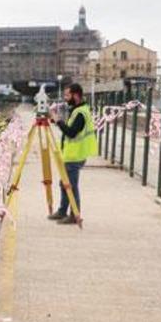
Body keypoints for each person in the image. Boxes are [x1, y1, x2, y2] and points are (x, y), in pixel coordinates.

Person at [50, 83, 97, 224]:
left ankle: (74, 215)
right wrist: (57, 121)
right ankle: (62, 211)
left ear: (76, 95)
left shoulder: (81, 113)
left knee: (71, 186)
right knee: (64, 183)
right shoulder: (77, 110)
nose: (65, 98)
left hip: (75, 156)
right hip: (70, 154)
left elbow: (71, 132)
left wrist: (58, 121)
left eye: (67, 95)